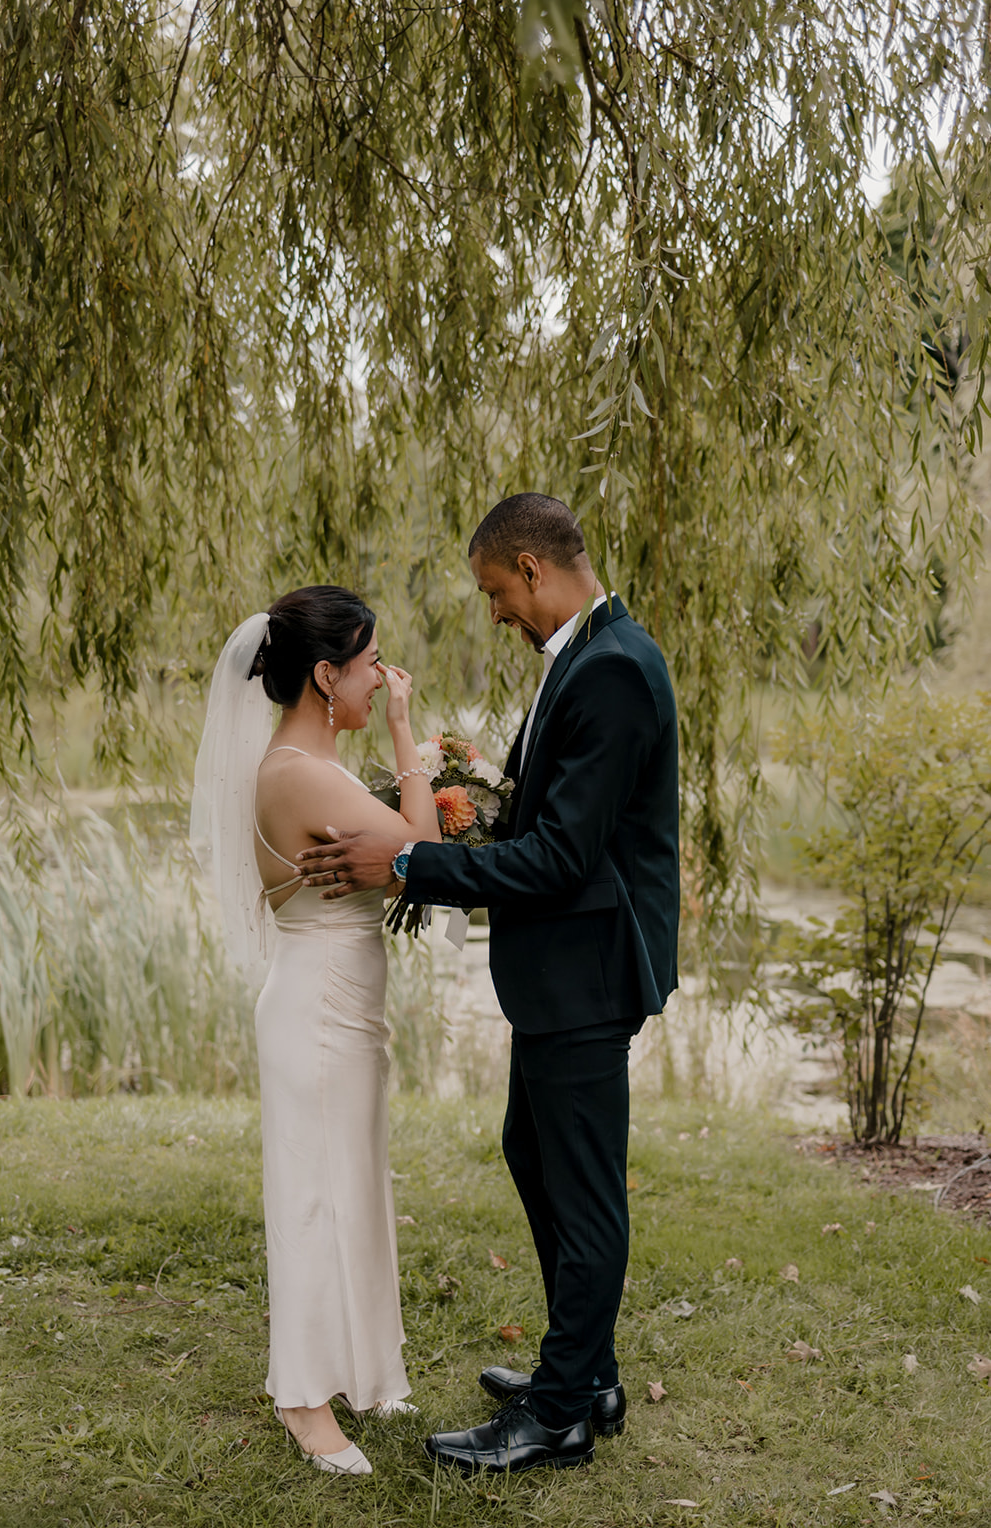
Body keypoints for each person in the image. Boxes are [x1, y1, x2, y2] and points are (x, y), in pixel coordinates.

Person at [297, 496, 680, 1475]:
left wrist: (415, 865)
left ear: (531, 566)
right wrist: (465, 818)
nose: (495, 612)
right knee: (532, 1150)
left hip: (588, 968)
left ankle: (560, 1411)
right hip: (564, 968)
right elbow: (546, 823)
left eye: (496, 592)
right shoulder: (589, 659)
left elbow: (559, 856)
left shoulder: (614, 672)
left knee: (579, 1190)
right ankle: (580, 1371)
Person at [189, 587, 440, 1477]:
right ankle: (302, 1397)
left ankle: (369, 1369)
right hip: (316, 1008)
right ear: (327, 675)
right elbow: (416, 849)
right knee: (312, 1194)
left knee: (355, 1183)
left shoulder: (319, 765)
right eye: (372, 664)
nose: (383, 679)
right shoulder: (294, 770)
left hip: (342, 1002)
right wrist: (411, 737)